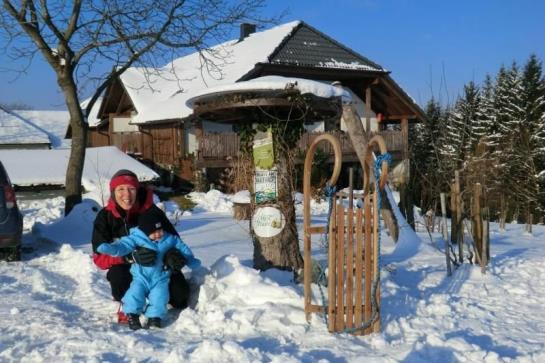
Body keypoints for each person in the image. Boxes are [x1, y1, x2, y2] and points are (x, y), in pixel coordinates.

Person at [92, 169, 191, 324]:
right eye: (121, 189)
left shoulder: (152, 212)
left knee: (181, 298)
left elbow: (174, 241)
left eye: (131, 189)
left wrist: (171, 255)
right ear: (113, 192)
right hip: (128, 270)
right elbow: (99, 258)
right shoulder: (105, 217)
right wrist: (128, 257)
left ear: (137, 190)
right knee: (118, 278)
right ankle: (129, 304)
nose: (127, 194)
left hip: (158, 268)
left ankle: (156, 300)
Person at [97, 208, 201, 330]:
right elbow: (123, 246)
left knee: (160, 297)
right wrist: (110, 249)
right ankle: (132, 315)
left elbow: (183, 248)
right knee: (135, 294)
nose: (158, 234)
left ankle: (154, 317)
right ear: (145, 231)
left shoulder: (169, 238)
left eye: (160, 230)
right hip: (141, 277)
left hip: (160, 277)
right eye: (154, 231)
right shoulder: (137, 238)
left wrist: (191, 261)